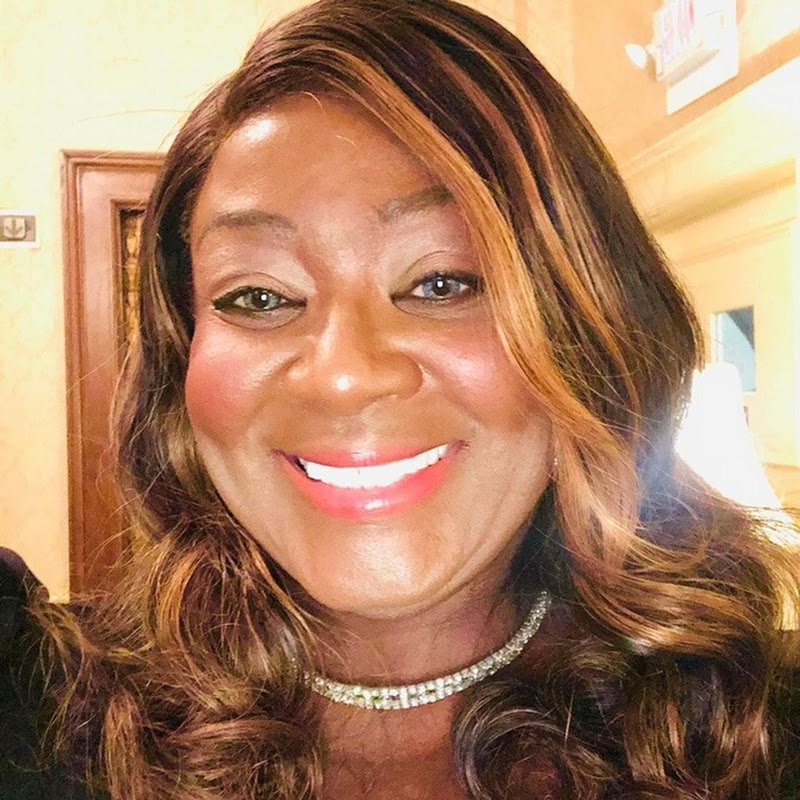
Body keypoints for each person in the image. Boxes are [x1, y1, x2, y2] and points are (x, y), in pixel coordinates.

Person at [2, 0, 799, 797]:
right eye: (259, 297)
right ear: (182, 359)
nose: (343, 376)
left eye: (442, 282)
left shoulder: (762, 733)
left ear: (590, 332)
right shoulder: (39, 706)